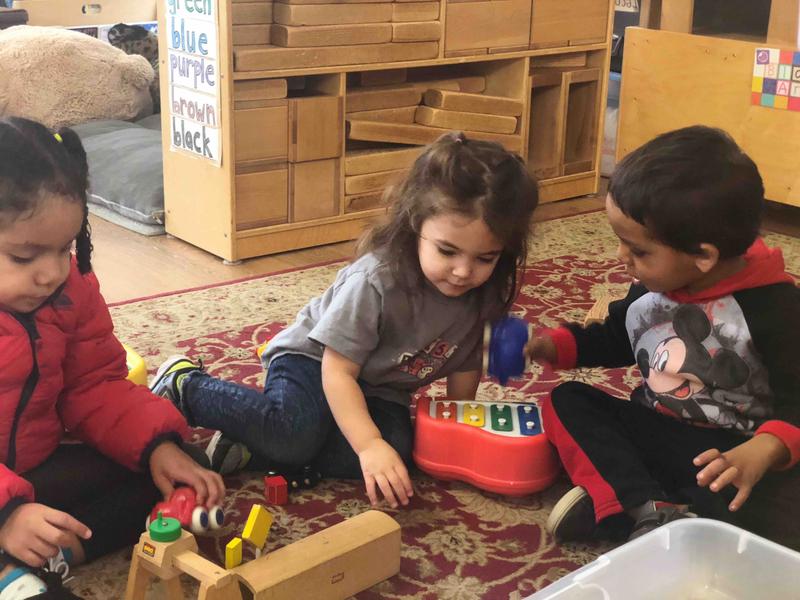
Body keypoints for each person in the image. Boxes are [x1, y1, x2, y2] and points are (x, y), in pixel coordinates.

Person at [151, 131, 539, 509]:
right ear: (416, 223)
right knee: (298, 434)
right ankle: (186, 386)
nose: (462, 271)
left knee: (401, 453)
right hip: (315, 363)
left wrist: (459, 433)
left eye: (484, 259)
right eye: (447, 251)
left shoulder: (482, 296)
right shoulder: (376, 281)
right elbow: (337, 373)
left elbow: (466, 363)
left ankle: (251, 446)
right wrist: (369, 445)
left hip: (381, 389)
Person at [526, 126, 800, 549]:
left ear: (703, 256)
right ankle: (641, 504)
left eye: (638, 251)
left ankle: (640, 507)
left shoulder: (776, 308)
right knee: (568, 401)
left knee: (777, 513)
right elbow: (619, 335)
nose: (622, 259)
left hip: (729, 453)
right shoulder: (651, 285)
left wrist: (763, 450)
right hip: (653, 425)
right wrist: (554, 345)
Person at [0, 117, 225, 599]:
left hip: (31, 473)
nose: (50, 273)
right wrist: (6, 516)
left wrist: (156, 447)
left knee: (171, 464)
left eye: (64, 249)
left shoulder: (70, 290)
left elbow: (94, 385)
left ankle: (51, 554)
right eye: (24, 257)